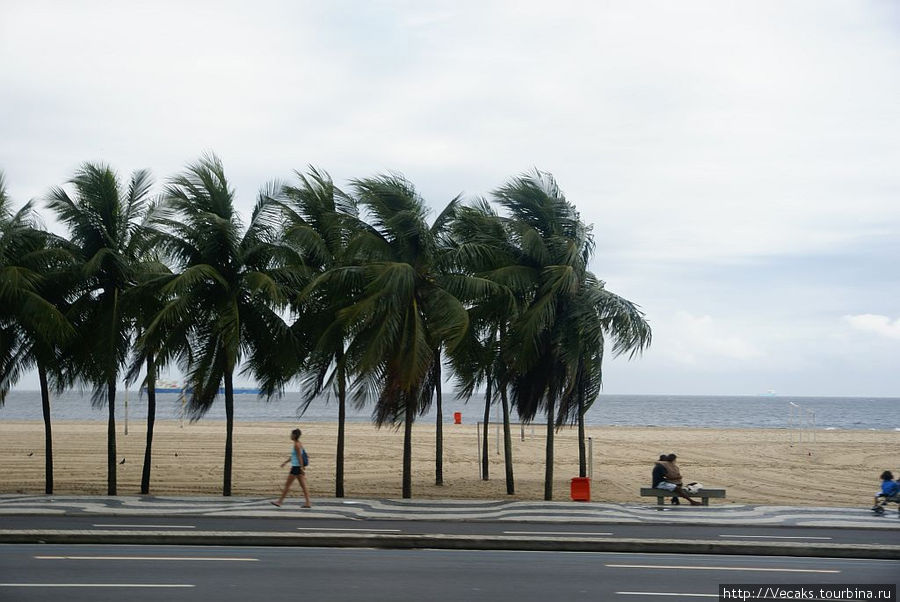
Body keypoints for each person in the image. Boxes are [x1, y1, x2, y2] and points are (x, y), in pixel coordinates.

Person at [271, 428, 311, 508]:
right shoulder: (299, 443)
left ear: (295, 435)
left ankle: (279, 502)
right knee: (303, 486)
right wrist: (285, 462)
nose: (290, 435)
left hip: (296, 468)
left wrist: (302, 468)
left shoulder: (296, 445)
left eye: (291, 434)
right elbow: (294, 456)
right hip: (297, 467)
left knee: (287, 485)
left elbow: (299, 457)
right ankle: (308, 503)